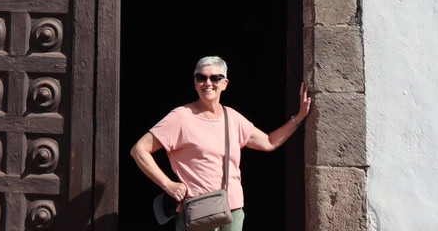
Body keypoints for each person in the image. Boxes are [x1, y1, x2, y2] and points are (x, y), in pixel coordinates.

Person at [131, 55, 312, 231]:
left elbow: (269, 142)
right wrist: (168, 184)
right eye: (201, 78)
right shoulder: (180, 117)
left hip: (232, 211)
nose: (208, 83)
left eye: (215, 78)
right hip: (197, 212)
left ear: (225, 84)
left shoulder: (231, 117)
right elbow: (139, 150)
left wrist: (300, 116)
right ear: (195, 83)